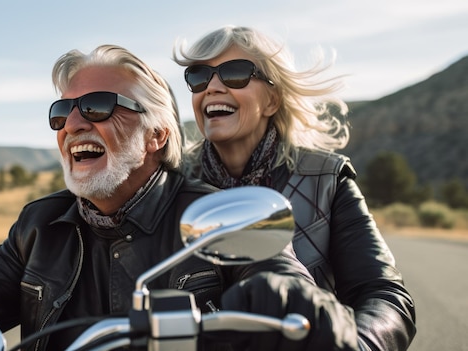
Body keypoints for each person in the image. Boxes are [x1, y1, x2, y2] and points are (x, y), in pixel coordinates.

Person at [0, 44, 359, 351]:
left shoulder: (207, 213)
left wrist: (293, 301)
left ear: (157, 135)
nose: (71, 123)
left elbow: (285, 280)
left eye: (97, 105)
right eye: (60, 111)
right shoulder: (41, 226)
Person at [173, 25, 417, 351]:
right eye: (199, 76)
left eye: (234, 73)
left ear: (272, 99)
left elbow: (383, 294)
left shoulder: (328, 178)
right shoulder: (171, 182)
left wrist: (354, 344)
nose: (213, 87)